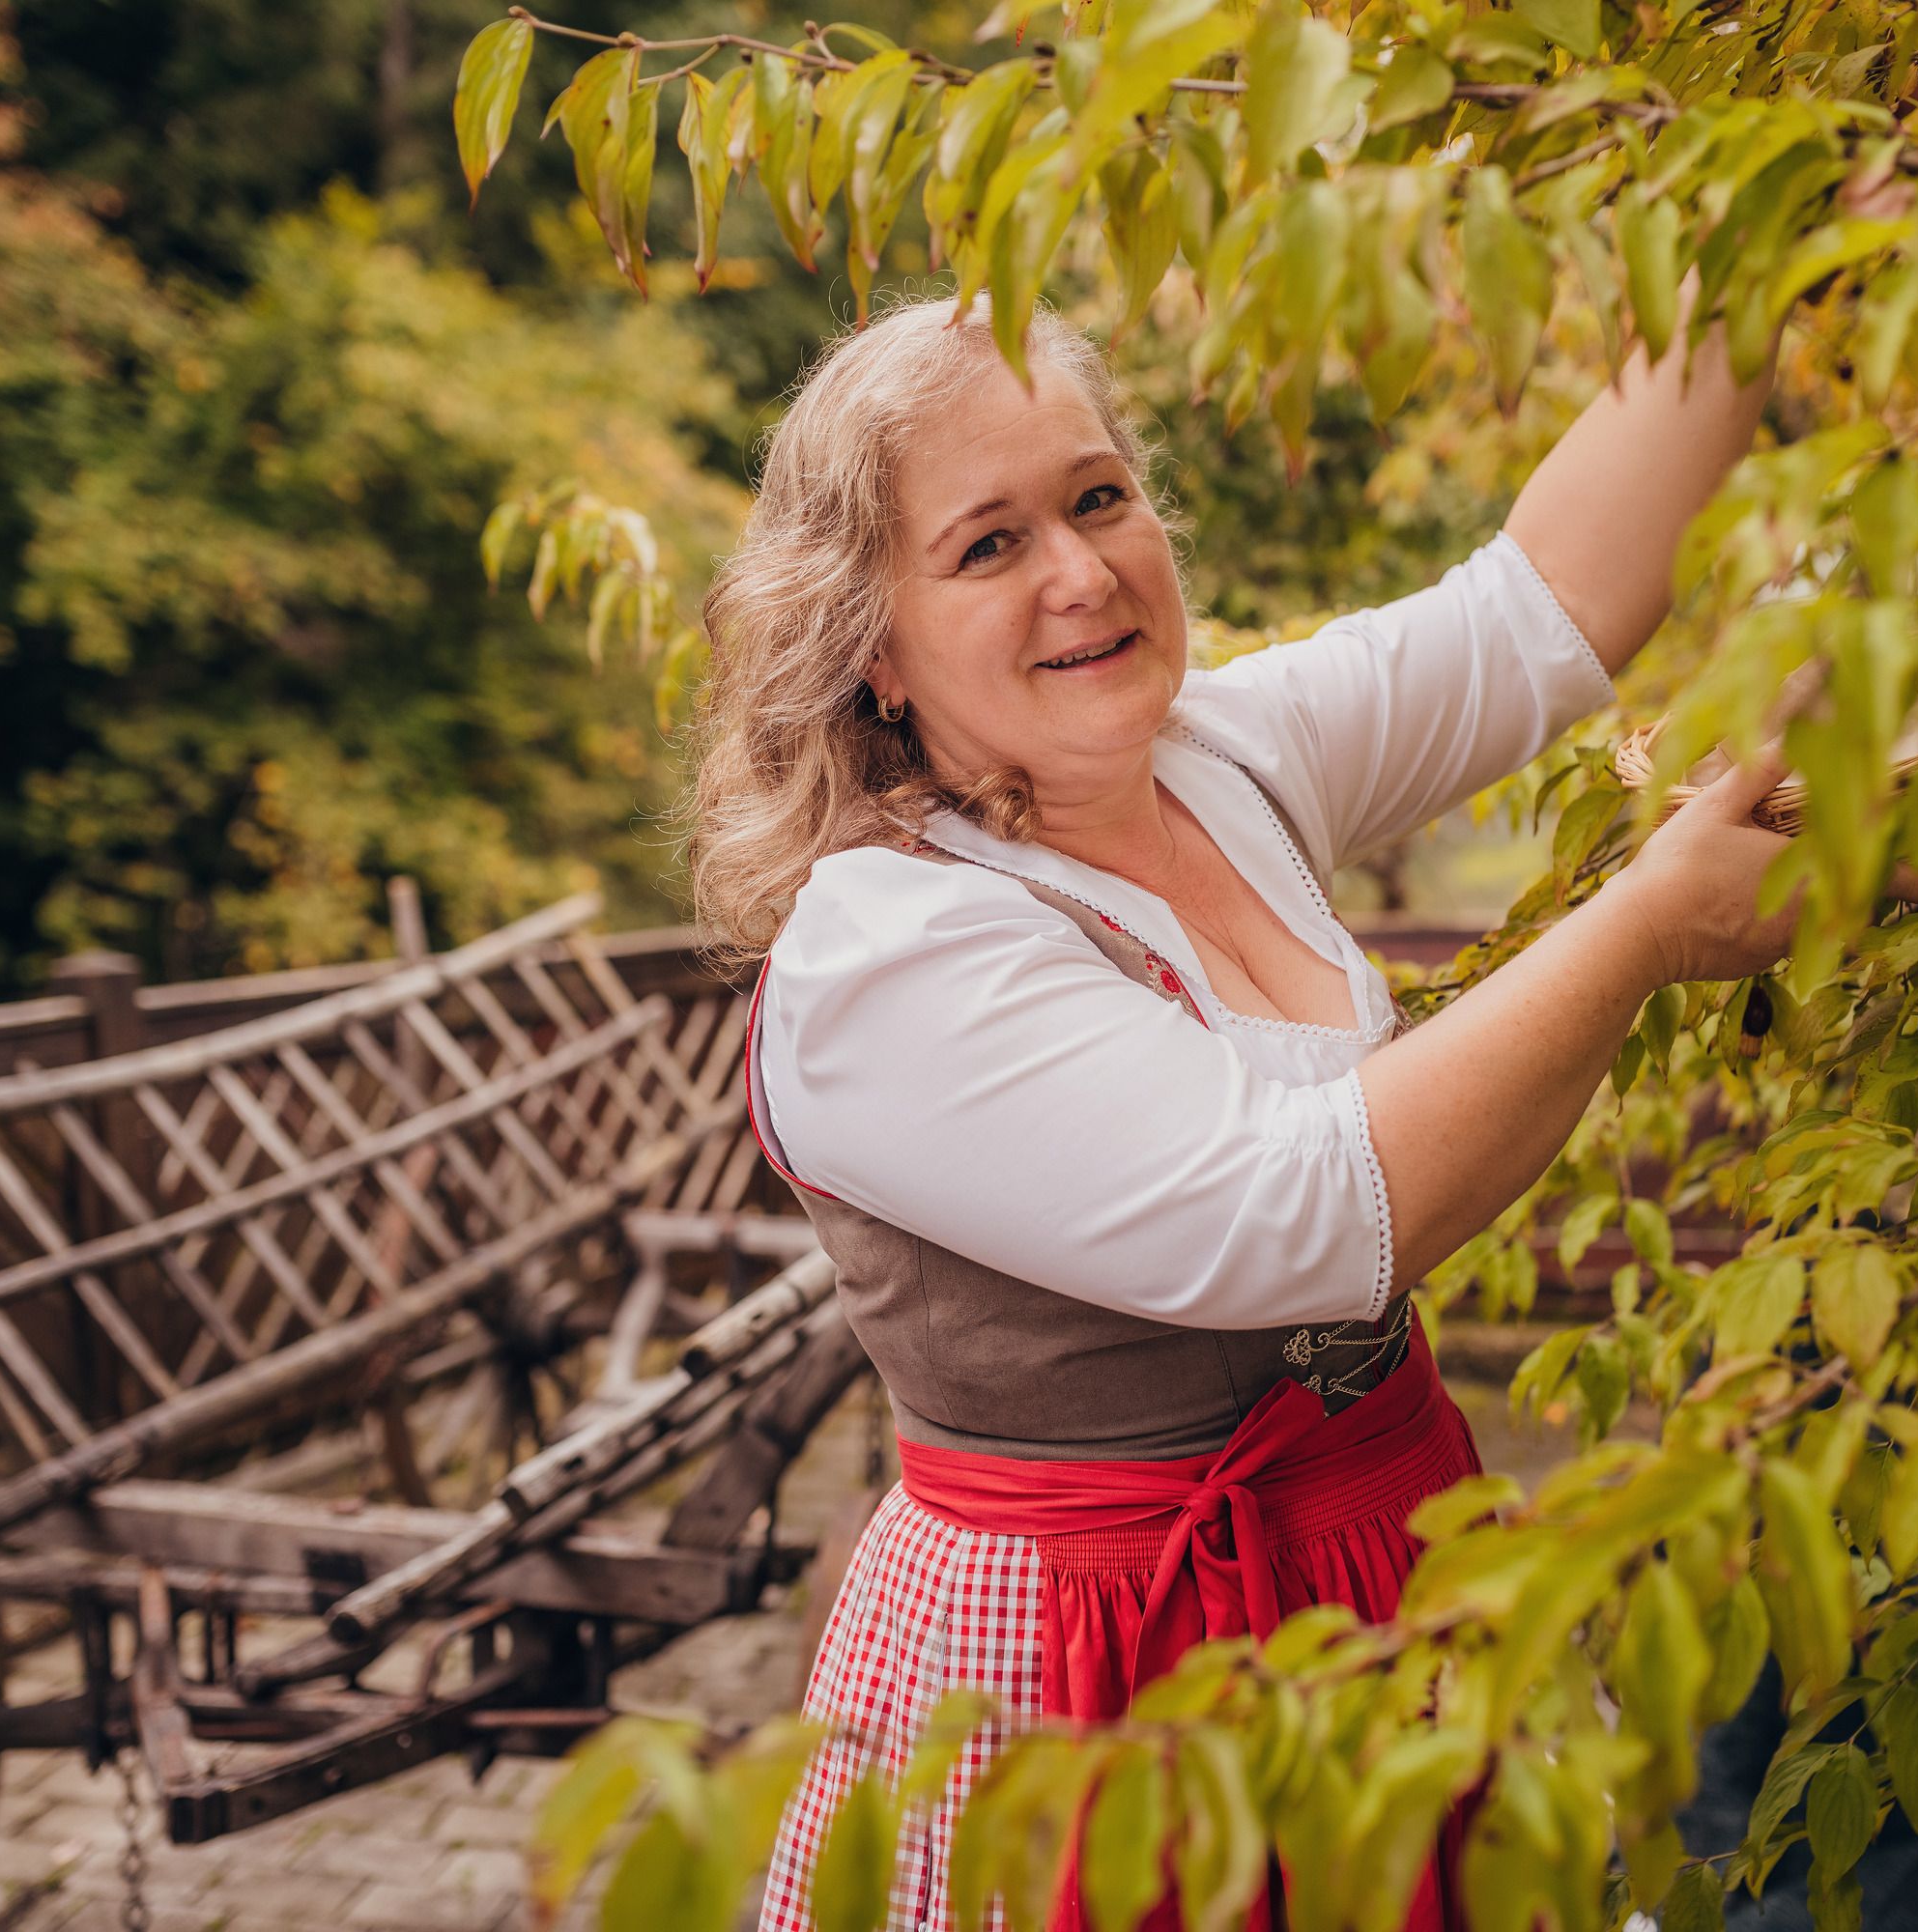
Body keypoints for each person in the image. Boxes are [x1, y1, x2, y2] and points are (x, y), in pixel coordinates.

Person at [697, 288, 1854, 1932]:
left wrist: (1783, 265)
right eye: (987, 546)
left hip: (1387, 1555)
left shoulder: (1221, 756)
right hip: (1091, 1663)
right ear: (869, 644)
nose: (1082, 573)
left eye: (1099, 498)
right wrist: (1651, 924)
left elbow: (1548, 606)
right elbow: (1306, 1214)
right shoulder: (886, 951)